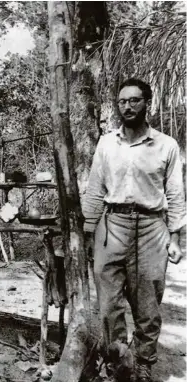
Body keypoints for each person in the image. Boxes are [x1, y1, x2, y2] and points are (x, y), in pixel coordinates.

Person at [82, 78, 185, 382]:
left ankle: (143, 366)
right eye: (122, 101)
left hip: (152, 228)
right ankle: (119, 365)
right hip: (112, 225)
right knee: (109, 303)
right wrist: (89, 234)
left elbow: (176, 194)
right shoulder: (106, 143)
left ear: (147, 103)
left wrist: (176, 236)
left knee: (148, 304)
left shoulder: (166, 145)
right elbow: (95, 190)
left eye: (134, 100)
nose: (127, 107)